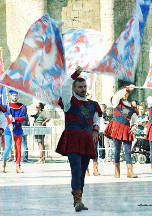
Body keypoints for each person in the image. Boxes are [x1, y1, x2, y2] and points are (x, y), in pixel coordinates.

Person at [56, 67, 102, 212]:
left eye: (84, 86)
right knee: (75, 168)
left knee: (82, 171)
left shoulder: (93, 104)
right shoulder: (69, 101)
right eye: (80, 87)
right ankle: (76, 201)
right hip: (73, 138)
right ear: (74, 88)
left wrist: (95, 131)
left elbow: (97, 120)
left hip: (87, 139)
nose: (83, 89)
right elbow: (64, 86)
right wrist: (76, 73)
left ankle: (80, 199)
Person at [103, 85, 138, 178]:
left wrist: (134, 127)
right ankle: (117, 171)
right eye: (124, 92)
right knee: (117, 150)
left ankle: (129, 171)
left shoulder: (131, 107)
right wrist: (126, 88)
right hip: (117, 128)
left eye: (126, 93)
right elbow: (117, 95)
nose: (124, 94)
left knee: (127, 150)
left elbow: (135, 119)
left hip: (126, 129)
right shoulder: (116, 102)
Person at [1, 90, 27, 173]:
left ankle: (18, 166)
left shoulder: (22, 106)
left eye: (16, 95)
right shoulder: (6, 106)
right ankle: (4, 163)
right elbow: (5, 116)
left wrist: (15, 119)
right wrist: (9, 123)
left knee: (18, 149)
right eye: (13, 95)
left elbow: (23, 118)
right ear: (10, 96)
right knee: (7, 148)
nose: (15, 97)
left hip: (18, 129)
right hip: (9, 129)